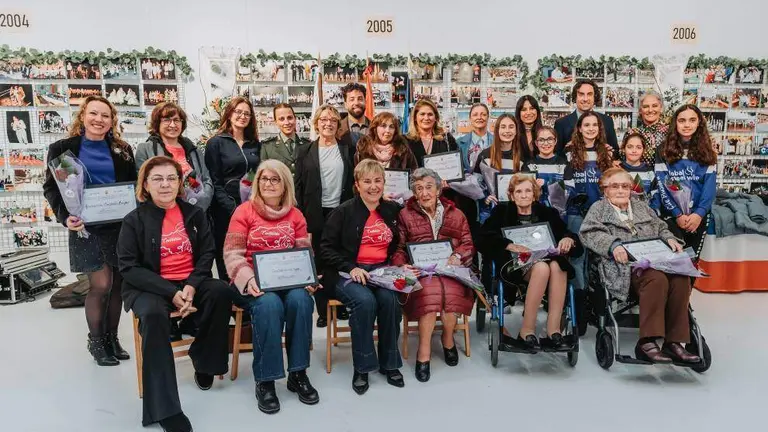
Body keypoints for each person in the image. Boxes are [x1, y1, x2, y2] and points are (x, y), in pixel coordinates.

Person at [118, 156, 231, 432]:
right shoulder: (134, 220)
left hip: (189, 281)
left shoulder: (194, 214)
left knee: (220, 292)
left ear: (180, 183)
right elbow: (128, 267)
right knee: (153, 315)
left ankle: (204, 361)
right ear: (145, 184)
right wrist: (171, 292)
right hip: (150, 286)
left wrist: (191, 284)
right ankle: (165, 409)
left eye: (171, 178)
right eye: (157, 179)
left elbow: (207, 253)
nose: (165, 184)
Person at [43, 95, 137, 367]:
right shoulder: (64, 149)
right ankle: (96, 341)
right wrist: (65, 218)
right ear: (83, 116)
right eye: (93, 113)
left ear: (112, 121)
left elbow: (132, 185)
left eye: (105, 115)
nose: (99, 119)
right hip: (85, 228)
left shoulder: (122, 149)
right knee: (101, 284)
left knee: (117, 285)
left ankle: (112, 338)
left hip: (119, 227)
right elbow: (52, 188)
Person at [223, 159, 319, 414]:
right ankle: (265, 381)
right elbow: (232, 254)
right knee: (269, 305)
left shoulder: (296, 215)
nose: (268, 183)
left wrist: (308, 278)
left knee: (301, 301)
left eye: (275, 179)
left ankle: (298, 373)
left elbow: (304, 252)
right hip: (253, 282)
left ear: (285, 184)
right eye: (264, 178)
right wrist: (248, 279)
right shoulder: (243, 212)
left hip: (288, 281)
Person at [580, 167, 701, 364]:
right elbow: (589, 233)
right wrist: (613, 245)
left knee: (681, 278)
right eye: (615, 186)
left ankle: (674, 342)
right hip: (623, 267)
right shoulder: (598, 209)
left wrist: (670, 239)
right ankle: (647, 342)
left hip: (656, 260)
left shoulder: (641, 207)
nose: (620, 190)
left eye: (625, 186)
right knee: (656, 279)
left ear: (631, 189)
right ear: (605, 190)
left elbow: (661, 227)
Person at [320, 159, 404, 395]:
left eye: (378, 180)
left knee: (390, 300)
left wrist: (399, 265)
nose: (373, 186)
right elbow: (325, 249)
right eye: (367, 181)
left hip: (381, 271)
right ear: (357, 185)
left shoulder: (392, 210)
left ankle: (390, 363)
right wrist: (350, 267)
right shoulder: (343, 212)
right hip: (346, 273)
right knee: (365, 302)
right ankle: (363, 366)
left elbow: (400, 243)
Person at [480, 174, 582, 352]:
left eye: (528, 191)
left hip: (547, 260)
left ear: (534, 194)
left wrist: (568, 239)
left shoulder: (548, 213)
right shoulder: (502, 212)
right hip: (516, 264)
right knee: (542, 268)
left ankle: (553, 330)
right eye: (519, 191)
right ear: (512, 195)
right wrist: (508, 245)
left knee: (558, 266)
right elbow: (483, 237)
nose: (524, 195)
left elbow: (566, 233)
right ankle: (526, 330)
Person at [391, 168, 475, 382]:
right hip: (421, 272)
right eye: (419, 188)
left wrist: (458, 255)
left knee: (451, 296)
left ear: (438, 190)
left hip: (451, 270)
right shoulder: (405, 215)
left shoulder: (456, 214)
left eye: (429, 187)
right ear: (414, 193)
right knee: (428, 296)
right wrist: (402, 266)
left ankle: (448, 339)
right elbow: (399, 248)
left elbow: (467, 244)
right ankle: (424, 351)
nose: (424, 192)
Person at [295, 104, 354, 327]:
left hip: (341, 212)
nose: (328, 123)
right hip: (315, 214)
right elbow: (298, 187)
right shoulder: (304, 151)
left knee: (339, 260)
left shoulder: (347, 149)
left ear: (338, 125)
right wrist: (302, 221)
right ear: (316, 123)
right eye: (324, 120)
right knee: (319, 262)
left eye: (333, 120)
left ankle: (340, 306)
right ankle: (322, 310)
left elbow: (352, 182)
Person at [204, 96, 261, 279]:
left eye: (247, 114)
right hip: (225, 209)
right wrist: (232, 208)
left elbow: (256, 173)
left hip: (251, 207)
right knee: (228, 254)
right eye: (238, 112)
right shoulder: (216, 142)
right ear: (229, 114)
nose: (242, 116)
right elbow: (214, 180)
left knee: (249, 252)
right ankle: (229, 292)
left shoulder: (255, 144)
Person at [655, 104, 717, 260]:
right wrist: (677, 214)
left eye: (692, 120)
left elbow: (709, 187)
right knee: (675, 259)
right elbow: (663, 185)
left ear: (699, 123)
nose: (687, 125)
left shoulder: (708, 150)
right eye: (682, 120)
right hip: (672, 215)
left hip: (698, 216)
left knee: (692, 259)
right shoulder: (663, 150)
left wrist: (699, 214)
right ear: (675, 123)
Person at [135, 102, 213, 210]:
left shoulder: (194, 150)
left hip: (197, 210)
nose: (172, 125)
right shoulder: (145, 149)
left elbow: (207, 180)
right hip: (162, 212)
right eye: (167, 120)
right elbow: (143, 183)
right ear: (157, 123)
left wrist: (202, 203)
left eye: (176, 120)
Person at [554, 79, 618, 155]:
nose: (585, 99)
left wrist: (609, 152)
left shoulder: (607, 121)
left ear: (595, 97)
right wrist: (566, 151)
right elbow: (556, 155)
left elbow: (616, 152)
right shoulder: (561, 124)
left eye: (589, 94)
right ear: (575, 97)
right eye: (581, 94)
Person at [523, 126, 568, 210]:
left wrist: (547, 183)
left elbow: (570, 190)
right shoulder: (529, 165)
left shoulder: (564, 164)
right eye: (541, 140)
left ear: (555, 141)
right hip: (535, 211)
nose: (546, 143)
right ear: (536, 143)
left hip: (559, 212)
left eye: (550, 139)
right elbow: (524, 191)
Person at [405, 99, 459, 167]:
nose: (426, 118)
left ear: (436, 117)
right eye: (422, 114)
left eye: (430, 114)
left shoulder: (447, 138)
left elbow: (456, 164)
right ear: (415, 117)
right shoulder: (405, 141)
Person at [260, 103, 309, 174]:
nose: (287, 122)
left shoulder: (307, 145)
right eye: (281, 119)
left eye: (290, 118)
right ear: (276, 122)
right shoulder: (267, 147)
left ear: (295, 119)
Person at [620, 131, 657, 208]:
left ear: (644, 150)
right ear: (623, 148)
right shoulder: (617, 170)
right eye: (630, 147)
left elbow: (655, 196)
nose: (634, 151)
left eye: (638, 147)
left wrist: (652, 211)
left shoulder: (649, 172)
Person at [630, 92, 668, 165]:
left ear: (661, 108)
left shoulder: (670, 132)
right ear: (640, 110)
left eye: (654, 106)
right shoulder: (632, 133)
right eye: (646, 106)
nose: (650, 110)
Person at [456, 103, 493, 173]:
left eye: (483, 114)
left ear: (488, 117)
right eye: (475, 115)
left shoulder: (497, 142)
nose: (479, 117)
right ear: (470, 118)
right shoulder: (459, 143)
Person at [338, 83, 370, 148]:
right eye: (352, 99)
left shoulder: (375, 128)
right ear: (345, 104)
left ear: (365, 102)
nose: (356, 103)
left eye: (360, 99)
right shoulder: (337, 129)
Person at [516, 95, 544, 162]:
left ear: (537, 111)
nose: (528, 113)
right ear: (519, 113)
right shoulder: (513, 135)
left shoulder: (545, 133)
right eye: (524, 109)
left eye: (532, 108)